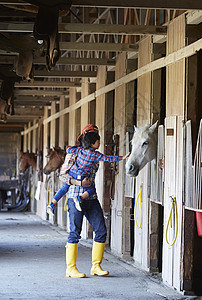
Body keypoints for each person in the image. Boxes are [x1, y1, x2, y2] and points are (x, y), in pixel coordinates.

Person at [50, 124, 130, 278]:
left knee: (100, 229)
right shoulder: (73, 153)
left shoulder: (94, 154)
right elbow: (63, 176)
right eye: (95, 136)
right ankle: (71, 268)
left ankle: (96, 266)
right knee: (75, 232)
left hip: (91, 198)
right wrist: (79, 183)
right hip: (75, 196)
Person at [47, 124, 129, 214]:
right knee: (91, 190)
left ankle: (52, 204)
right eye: (97, 140)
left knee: (63, 188)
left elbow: (69, 150)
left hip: (75, 175)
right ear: (91, 141)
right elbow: (108, 158)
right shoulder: (95, 155)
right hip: (77, 188)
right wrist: (122, 157)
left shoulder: (78, 150)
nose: (99, 142)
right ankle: (79, 198)